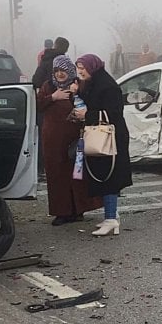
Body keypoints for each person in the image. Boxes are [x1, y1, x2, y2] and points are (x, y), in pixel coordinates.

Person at [36, 55, 103, 226]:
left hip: (75, 137)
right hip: (53, 140)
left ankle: (78, 209)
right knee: (57, 175)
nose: (59, 74)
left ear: (70, 71)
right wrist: (53, 97)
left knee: (78, 173)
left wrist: (77, 97)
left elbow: (90, 104)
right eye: (56, 71)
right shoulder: (48, 86)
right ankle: (62, 212)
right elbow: (37, 105)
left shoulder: (78, 85)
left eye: (63, 71)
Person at [72, 54, 133, 236]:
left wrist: (87, 115)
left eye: (83, 68)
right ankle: (111, 216)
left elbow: (113, 113)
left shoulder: (108, 86)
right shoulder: (95, 83)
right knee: (103, 175)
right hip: (101, 136)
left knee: (109, 177)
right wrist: (78, 93)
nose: (80, 71)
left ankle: (111, 219)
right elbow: (93, 101)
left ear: (93, 67)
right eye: (79, 68)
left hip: (111, 138)